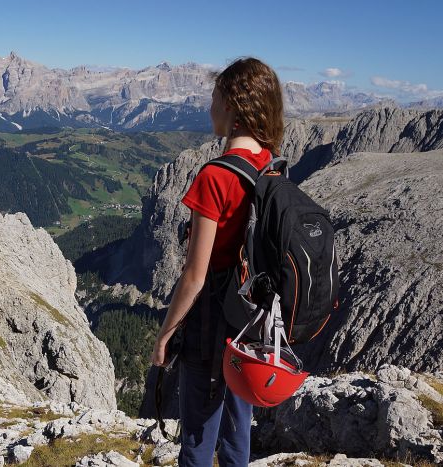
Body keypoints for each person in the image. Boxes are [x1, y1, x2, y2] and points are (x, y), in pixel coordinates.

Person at [150, 57, 285, 467]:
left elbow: (195, 274)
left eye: (215, 98)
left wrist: (165, 335)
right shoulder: (269, 164)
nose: (209, 107)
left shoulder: (215, 177)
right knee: (236, 430)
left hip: (210, 320)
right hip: (249, 321)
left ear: (233, 107)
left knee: (197, 437)